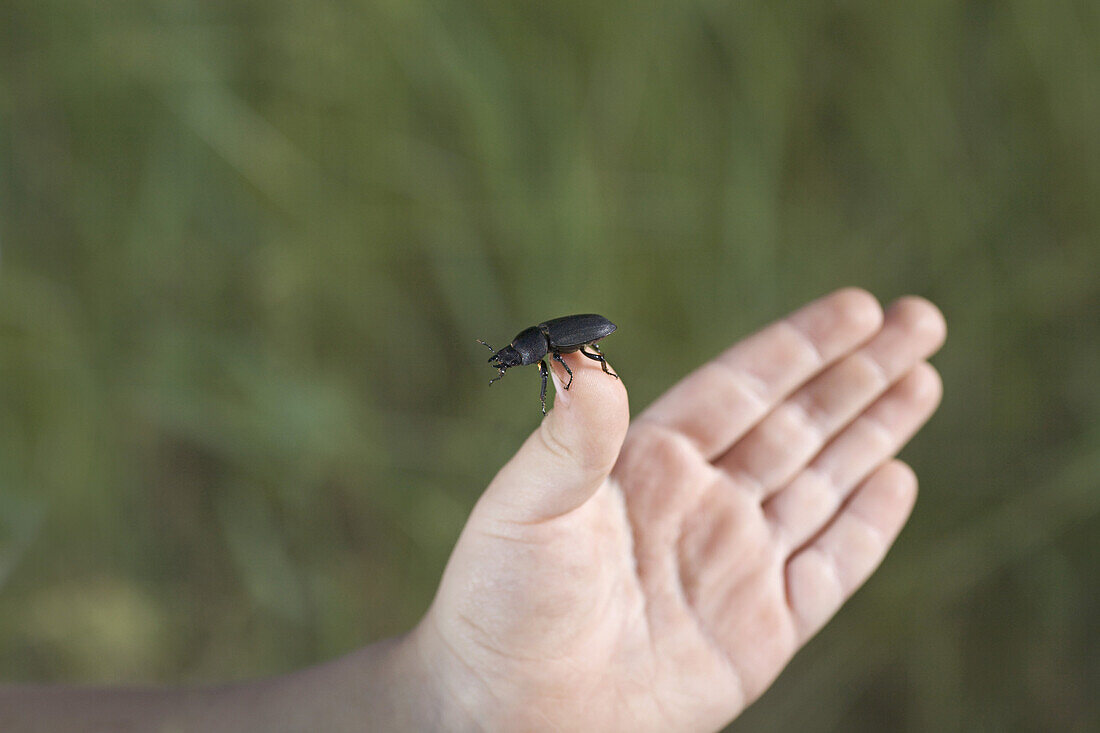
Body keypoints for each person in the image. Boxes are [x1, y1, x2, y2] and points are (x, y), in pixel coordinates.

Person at [0, 288, 945, 732]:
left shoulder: (556, 353)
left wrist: (434, 705)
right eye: (530, 364)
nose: (525, 366)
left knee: (584, 392)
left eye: (523, 362)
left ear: (537, 354)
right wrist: (442, 707)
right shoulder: (546, 354)